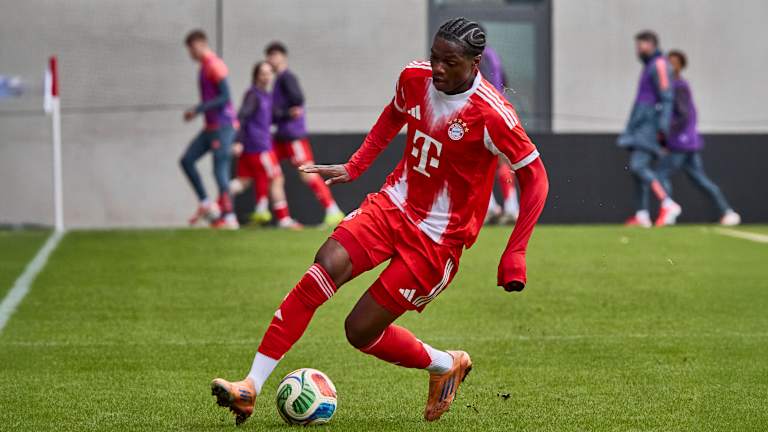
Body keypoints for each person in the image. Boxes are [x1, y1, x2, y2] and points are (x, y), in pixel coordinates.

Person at [210, 18, 549, 425]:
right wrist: (355, 167)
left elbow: (536, 178)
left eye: (449, 62)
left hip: (437, 242)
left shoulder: (494, 115)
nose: (437, 68)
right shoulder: (414, 78)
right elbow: (394, 115)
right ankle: (250, 386)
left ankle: (445, 364)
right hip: (392, 205)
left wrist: (515, 251)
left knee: (359, 331)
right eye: (434, 57)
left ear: (475, 63)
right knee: (325, 265)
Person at [655, 50, 741, 226]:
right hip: (688, 142)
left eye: (674, 62)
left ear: (681, 66)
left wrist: (665, 133)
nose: (670, 66)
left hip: (681, 143)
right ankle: (727, 211)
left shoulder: (678, 86)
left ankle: (668, 212)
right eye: (668, 62)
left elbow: (683, 115)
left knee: (661, 174)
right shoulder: (673, 86)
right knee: (699, 179)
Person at [264, 42, 345, 226]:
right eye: (269, 56)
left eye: (273, 55)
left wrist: (283, 113)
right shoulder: (279, 80)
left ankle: (332, 210)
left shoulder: (287, 77)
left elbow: (297, 99)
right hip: (281, 136)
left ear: (282, 56)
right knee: (272, 174)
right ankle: (282, 218)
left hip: (292, 136)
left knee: (307, 172)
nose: (271, 60)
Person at [618, 31, 681, 228]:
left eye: (641, 45)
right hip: (640, 127)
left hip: (649, 126)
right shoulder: (649, 66)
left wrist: (662, 130)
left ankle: (668, 203)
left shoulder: (660, 65)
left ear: (652, 44)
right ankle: (642, 214)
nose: (638, 49)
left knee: (638, 167)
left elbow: (667, 98)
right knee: (637, 170)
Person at [229, 61, 302, 229]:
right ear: (256, 75)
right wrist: (238, 141)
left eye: (269, 73)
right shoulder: (253, 95)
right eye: (263, 73)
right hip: (259, 145)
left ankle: (218, 208)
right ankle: (281, 218)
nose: (267, 76)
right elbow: (243, 117)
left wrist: (288, 114)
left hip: (257, 145)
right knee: (276, 177)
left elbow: (272, 117)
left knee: (243, 181)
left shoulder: (265, 95)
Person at [180, 30, 238, 229]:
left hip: (223, 126)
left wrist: (197, 109)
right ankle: (207, 204)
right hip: (211, 127)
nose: (190, 53)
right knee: (187, 160)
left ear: (199, 44)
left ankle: (229, 217)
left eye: (191, 48)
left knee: (219, 170)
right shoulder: (204, 67)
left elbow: (225, 97)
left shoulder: (214, 65)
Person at [480, 43, 519, 224]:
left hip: (486, 111)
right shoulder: (493, 56)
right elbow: (505, 82)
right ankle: (511, 207)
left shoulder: (476, 58)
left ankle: (491, 208)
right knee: (502, 159)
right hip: (502, 109)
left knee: (479, 160)